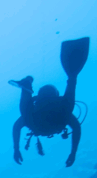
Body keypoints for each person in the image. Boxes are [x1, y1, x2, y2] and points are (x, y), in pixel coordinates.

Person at [10, 37, 90, 167]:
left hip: (37, 122)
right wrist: (73, 152)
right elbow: (76, 128)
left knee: (27, 115)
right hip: (57, 120)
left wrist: (16, 149)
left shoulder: (33, 112)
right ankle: (72, 78)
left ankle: (27, 87)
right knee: (66, 110)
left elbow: (16, 127)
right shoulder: (64, 112)